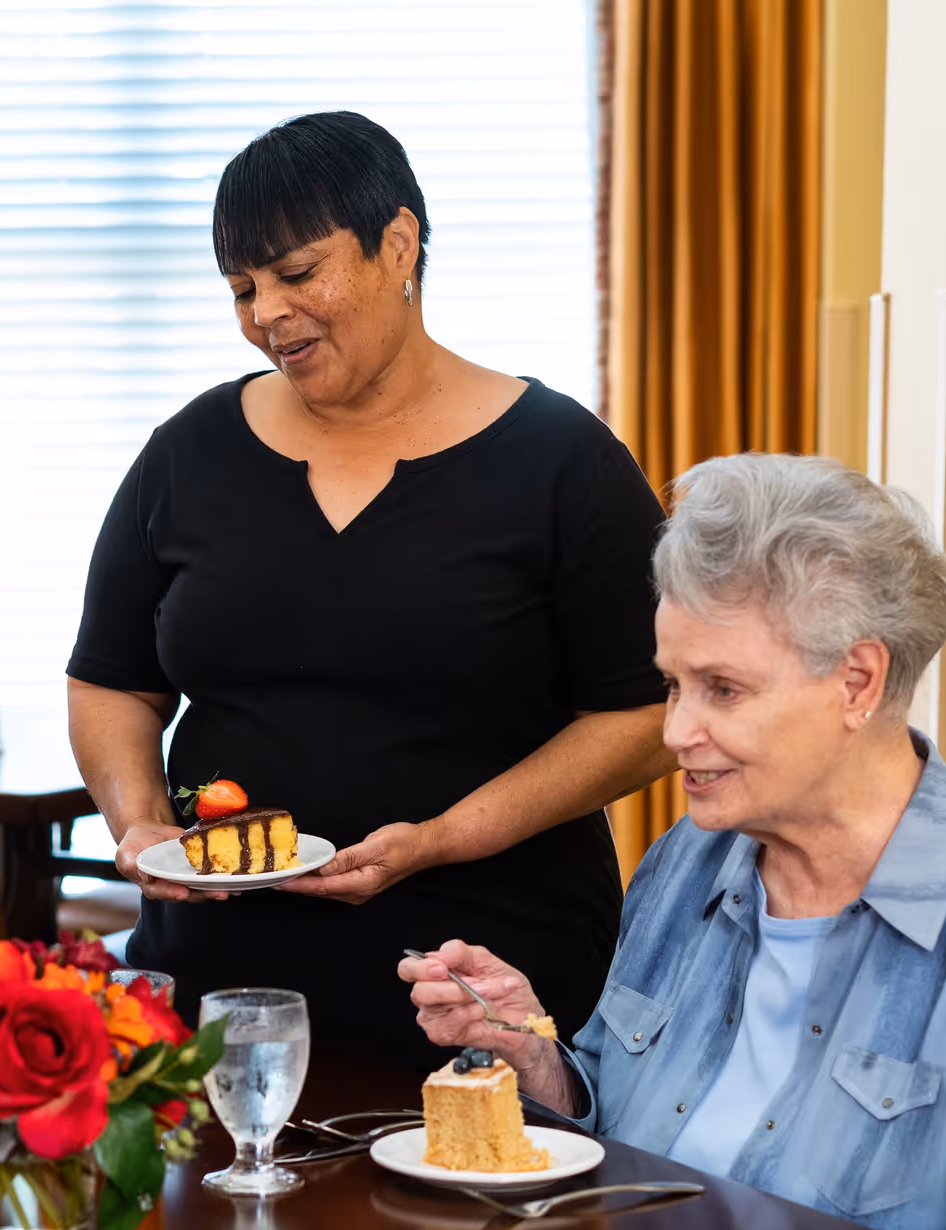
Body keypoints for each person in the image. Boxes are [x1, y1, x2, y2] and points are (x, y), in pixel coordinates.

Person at [402, 454, 946, 1230]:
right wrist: (537, 1055)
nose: (676, 730)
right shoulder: (687, 857)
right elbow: (612, 1122)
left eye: (722, 689)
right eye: (673, 684)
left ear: (858, 681)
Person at [67, 111, 673, 1062]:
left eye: (297, 273)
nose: (266, 313)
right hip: (223, 987)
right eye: (242, 288)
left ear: (399, 245)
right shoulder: (187, 453)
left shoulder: (563, 460)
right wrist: (139, 818)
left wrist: (440, 837)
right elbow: (112, 679)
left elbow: (645, 717)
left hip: (486, 972)